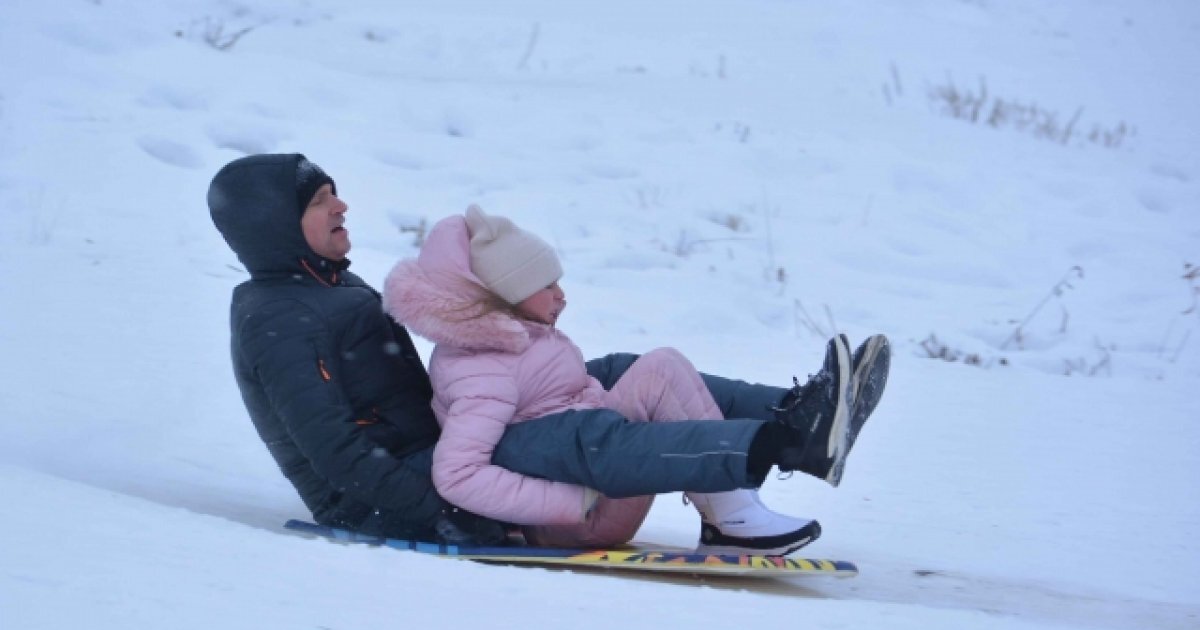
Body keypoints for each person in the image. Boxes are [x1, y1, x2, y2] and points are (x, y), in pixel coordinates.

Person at [206, 153, 889, 549]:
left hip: (446, 453)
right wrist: (451, 511)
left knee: (616, 373)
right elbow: (337, 456)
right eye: (323, 200)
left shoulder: (326, 288)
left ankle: (806, 416)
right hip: (410, 498)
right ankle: (771, 445)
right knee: (583, 428)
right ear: (275, 224)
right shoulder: (277, 319)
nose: (343, 205)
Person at [381, 205, 847, 554]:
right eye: (546, 286)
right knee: (658, 373)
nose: (561, 296)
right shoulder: (481, 368)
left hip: (589, 460)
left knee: (660, 368)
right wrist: (569, 503)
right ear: (506, 295)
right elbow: (458, 474)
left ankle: (793, 423)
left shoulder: (515, 335)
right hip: (583, 515)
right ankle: (734, 515)